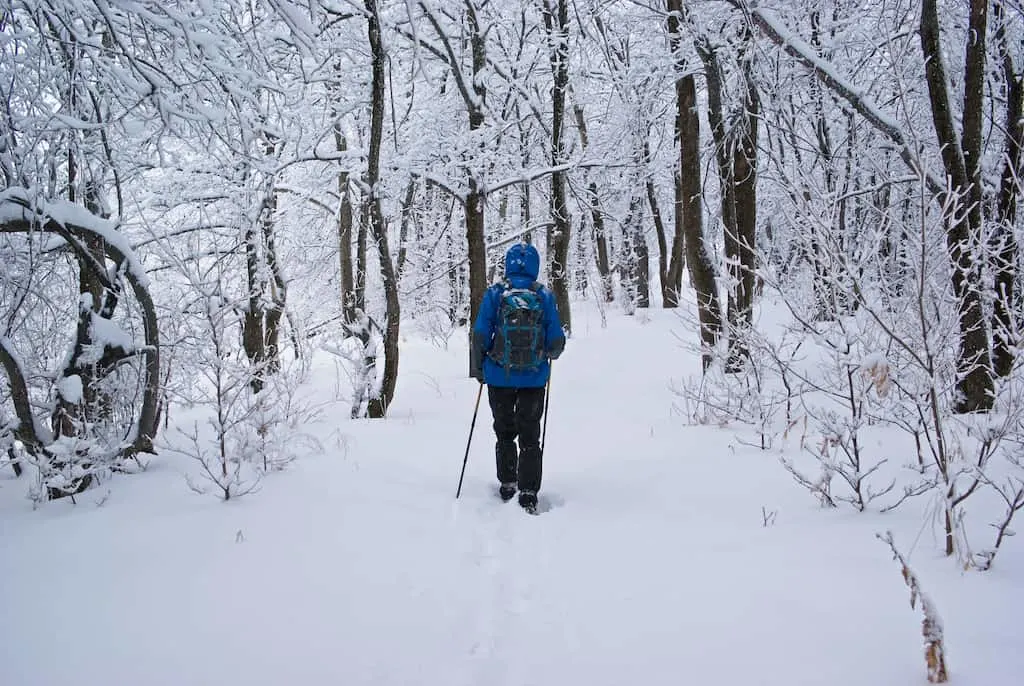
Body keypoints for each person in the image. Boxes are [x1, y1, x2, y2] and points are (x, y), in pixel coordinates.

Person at [470, 243, 565, 512]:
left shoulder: (496, 293)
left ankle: (508, 483)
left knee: (504, 431)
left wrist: (479, 370)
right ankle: (528, 491)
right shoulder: (543, 295)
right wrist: (548, 354)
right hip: (534, 379)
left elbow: (479, 335)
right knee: (530, 435)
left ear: (507, 264)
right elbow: (556, 340)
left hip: (499, 376)